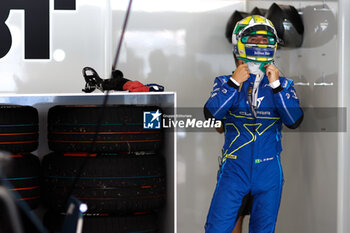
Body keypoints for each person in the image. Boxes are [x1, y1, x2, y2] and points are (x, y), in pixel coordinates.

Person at [204, 15, 303, 233]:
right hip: (234, 168)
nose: (260, 45)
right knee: (216, 228)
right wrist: (233, 83)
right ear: (240, 42)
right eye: (254, 40)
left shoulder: (284, 84)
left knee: (263, 229)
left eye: (265, 40)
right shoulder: (224, 81)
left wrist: (276, 85)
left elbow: (294, 120)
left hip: (268, 169)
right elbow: (211, 117)